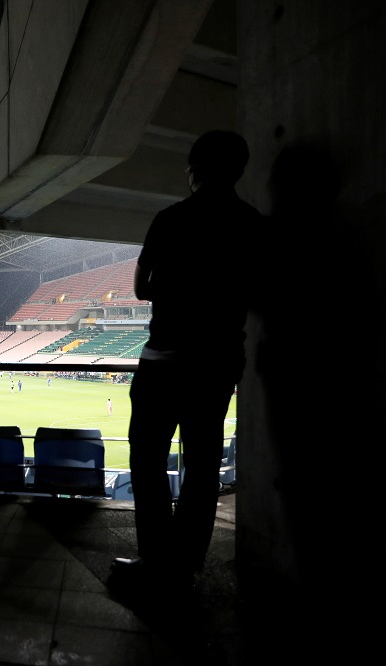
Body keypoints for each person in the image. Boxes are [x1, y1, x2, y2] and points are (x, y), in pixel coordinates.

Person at [109, 130, 261, 599]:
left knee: (149, 462)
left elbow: (139, 289)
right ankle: (185, 566)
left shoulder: (171, 219)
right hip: (216, 367)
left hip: (164, 362)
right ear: (239, 170)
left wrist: (174, 289)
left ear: (193, 170)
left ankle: (155, 561)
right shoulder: (254, 224)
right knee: (201, 467)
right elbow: (257, 292)